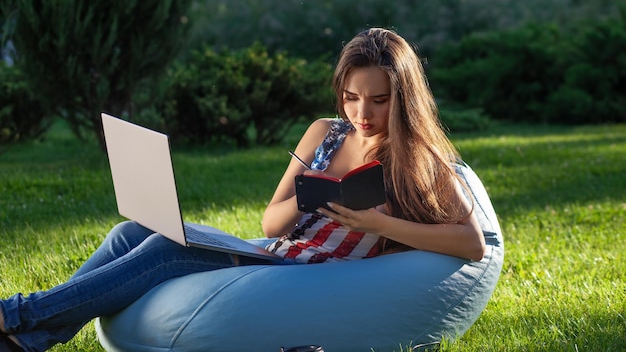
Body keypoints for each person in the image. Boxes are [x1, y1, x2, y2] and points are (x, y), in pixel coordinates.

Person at [0, 28, 485, 352]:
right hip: (277, 255)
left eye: (379, 101)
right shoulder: (325, 133)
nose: (362, 113)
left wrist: (377, 224)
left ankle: (20, 316)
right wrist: (309, 194)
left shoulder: (419, 158)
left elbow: (472, 243)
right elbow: (270, 223)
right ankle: (30, 338)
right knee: (132, 231)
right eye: (351, 97)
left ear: (403, 98)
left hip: (307, 278)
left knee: (167, 250)